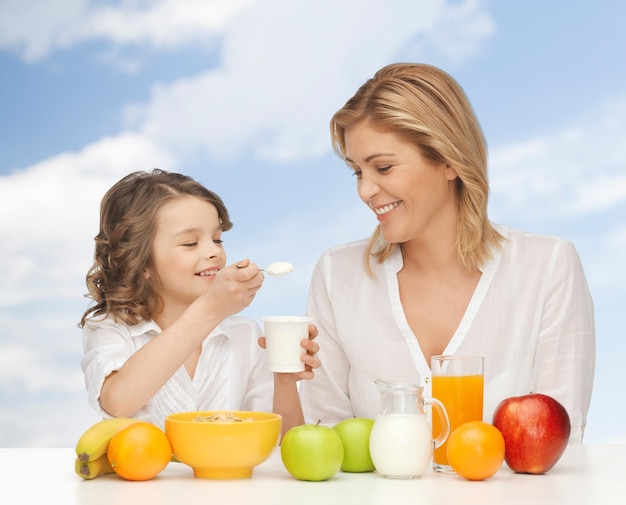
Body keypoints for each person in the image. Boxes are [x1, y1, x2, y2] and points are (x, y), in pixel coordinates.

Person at [299, 63, 595, 443]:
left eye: (383, 167)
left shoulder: (548, 267)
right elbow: (327, 442)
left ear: (449, 160)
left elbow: (558, 444)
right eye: (357, 172)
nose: (365, 191)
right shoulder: (336, 275)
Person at [80, 169, 320, 436]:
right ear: (142, 261)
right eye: (190, 243)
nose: (214, 251)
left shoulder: (246, 335)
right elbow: (117, 403)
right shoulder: (111, 329)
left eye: (217, 239)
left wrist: (284, 378)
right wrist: (210, 308)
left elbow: (283, 441)